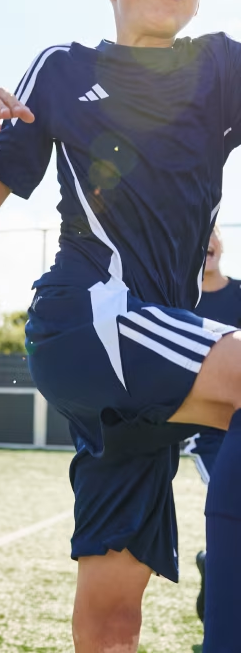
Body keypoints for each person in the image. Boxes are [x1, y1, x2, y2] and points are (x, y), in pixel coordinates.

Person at [0, 0, 241, 653]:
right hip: (89, 321)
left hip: (161, 360)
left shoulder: (220, 68)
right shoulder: (62, 68)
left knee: (112, 618)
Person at [183, 226, 241, 622]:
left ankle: (212, 562)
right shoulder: (179, 300)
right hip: (205, 434)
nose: (205, 242)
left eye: (211, 233)